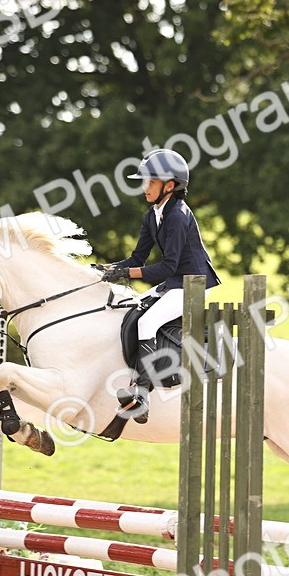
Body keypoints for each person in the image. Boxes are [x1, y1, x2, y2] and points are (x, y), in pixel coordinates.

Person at [99, 149, 220, 423]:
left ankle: (142, 395)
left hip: (194, 283)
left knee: (148, 322)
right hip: (176, 281)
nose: (144, 188)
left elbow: (167, 267)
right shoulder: (152, 215)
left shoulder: (178, 215)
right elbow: (137, 258)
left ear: (170, 185)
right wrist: (106, 269)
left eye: (150, 182)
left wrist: (125, 273)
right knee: (131, 309)